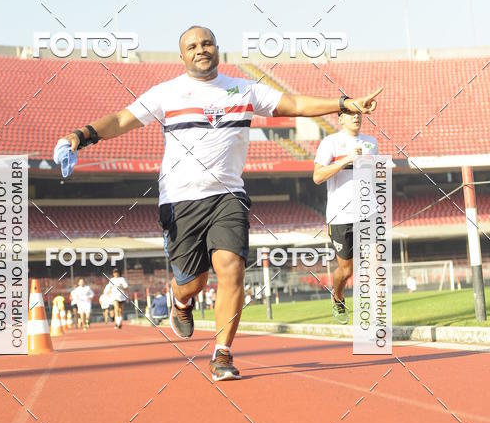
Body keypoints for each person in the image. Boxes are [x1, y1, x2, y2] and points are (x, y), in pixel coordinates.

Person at [59, 25, 381, 380]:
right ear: (182, 56)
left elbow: (296, 104)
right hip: (179, 202)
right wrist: (80, 136)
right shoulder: (166, 93)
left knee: (231, 268)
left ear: (216, 48)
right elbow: (121, 119)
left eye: (207, 43)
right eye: (192, 45)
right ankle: (181, 301)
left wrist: (342, 103)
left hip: (228, 195)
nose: (201, 49)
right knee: (192, 282)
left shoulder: (244, 89)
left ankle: (222, 354)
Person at [313, 110, 379, 324]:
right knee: (347, 269)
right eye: (350, 113)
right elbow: (317, 177)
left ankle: (373, 315)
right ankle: (338, 296)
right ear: (340, 119)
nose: (356, 117)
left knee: (375, 262)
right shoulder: (330, 143)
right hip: (340, 216)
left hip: (368, 212)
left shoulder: (372, 142)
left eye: (359, 113)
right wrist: (347, 160)